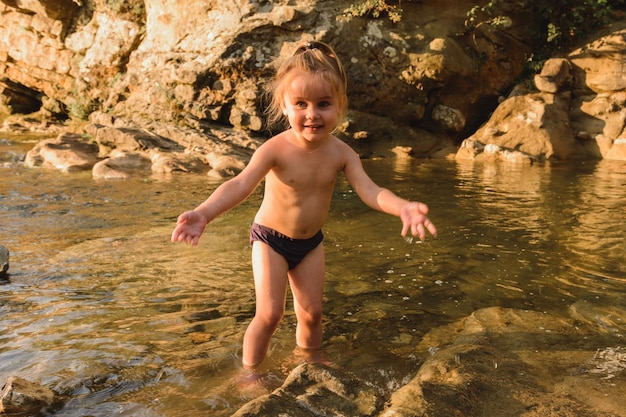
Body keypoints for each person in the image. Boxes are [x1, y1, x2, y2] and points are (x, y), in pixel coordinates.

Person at [171, 40, 437, 369]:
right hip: (270, 239)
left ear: (340, 105)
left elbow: (370, 190)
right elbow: (240, 183)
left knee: (312, 314)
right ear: (284, 106)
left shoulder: (342, 154)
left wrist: (402, 208)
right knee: (270, 314)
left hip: (310, 244)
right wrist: (204, 213)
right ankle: (250, 374)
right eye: (301, 104)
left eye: (323, 104)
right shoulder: (276, 149)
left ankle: (307, 363)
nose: (312, 114)